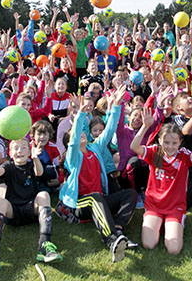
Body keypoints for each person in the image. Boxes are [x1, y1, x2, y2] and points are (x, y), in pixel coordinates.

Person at [55, 88, 137, 263]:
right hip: (80, 203)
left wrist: (115, 105)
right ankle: (111, 239)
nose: (81, 134)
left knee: (130, 194)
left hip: (99, 199)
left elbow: (109, 130)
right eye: (75, 135)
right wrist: (80, 114)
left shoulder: (95, 148)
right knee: (94, 198)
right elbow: (75, 139)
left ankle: (117, 227)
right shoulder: (73, 157)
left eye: (83, 133)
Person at [0, 139, 62, 272]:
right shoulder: (9, 166)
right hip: (13, 212)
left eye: (24, 148)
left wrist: (36, 158)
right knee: (1, 202)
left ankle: (44, 245)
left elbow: (39, 173)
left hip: (31, 209)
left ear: (29, 151)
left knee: (44, 195)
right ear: (10, 153)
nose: (20, 151)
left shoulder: (32, 165)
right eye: (16, 148)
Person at [130, 107, 192, 255]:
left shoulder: (184, 156)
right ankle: (159, 223)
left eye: (174, 143)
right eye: (166, 142)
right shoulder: (154, 152)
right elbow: (134, 147)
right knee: (149, 244)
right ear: (160, 141)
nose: (170, 146)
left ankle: (175, 223)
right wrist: (145, 126)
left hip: (175, 207)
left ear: (180, 142)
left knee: (173, 249)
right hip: (154, 205)